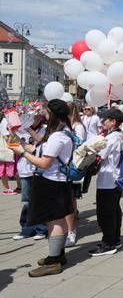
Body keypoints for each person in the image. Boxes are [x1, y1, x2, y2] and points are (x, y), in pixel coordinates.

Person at [8, 99, 75, 277]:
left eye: (46, 111)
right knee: (57, 220)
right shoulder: (60, 133)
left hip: (52, 183)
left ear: (52, 114)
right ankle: (57, 256)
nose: (43, 114)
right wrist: (19, 143)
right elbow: (38, 150)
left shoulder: (58, 136)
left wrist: (22, 153)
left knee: (54, 221)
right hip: (56, 182)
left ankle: (53, 262)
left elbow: (44, 163)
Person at [89, 108, 123, 256]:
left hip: (108, 179)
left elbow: (99, 154)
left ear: (113, 122)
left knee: (105, 213)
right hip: (112, 178)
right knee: (114, 210)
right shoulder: (116, 135)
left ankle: (108, 243)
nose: (102, 122)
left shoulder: (112, 137)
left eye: (106, 119)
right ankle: (114, 239)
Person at [12, 115, 48, 240]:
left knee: (39, 200)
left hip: (39, 168)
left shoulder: (45, 129)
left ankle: (41, 229)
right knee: (27, 201)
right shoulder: (19, 130)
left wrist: (30, 131)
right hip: (24, 169)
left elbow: (42, 144)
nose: (32, 120)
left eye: (36, 118)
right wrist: (10, 133)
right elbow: (14, 145)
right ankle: (26, 229)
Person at [65, 101, 87, 248]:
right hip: (65, 166)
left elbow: (79, 144)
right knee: (68, 200)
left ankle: (71, 232)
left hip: (73, 166)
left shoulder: (78, 126)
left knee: (70, 200)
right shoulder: (67, 126)